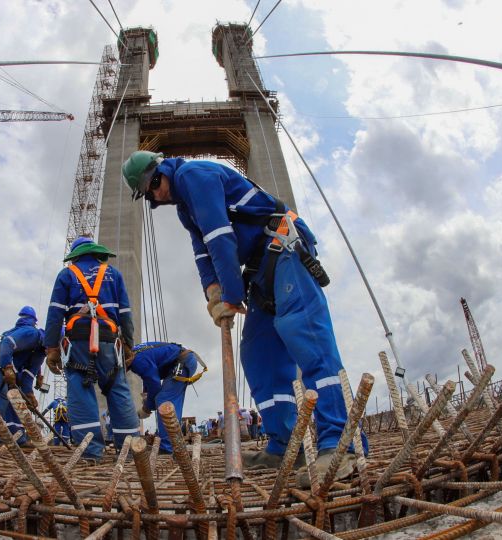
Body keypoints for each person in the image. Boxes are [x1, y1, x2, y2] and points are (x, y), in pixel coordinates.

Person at [122, 151, 354, 486]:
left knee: (306, 338)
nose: (156, 193)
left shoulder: (193, 176)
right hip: (261, 269)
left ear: (163, 169)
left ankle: (339, 444)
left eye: (155, 183)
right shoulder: (186, 208)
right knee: (258, 355)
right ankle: (285, 445)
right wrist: (213, 293)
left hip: (284, 247)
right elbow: (203, 252)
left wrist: (231, 295)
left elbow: (220, 237)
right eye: (148, 192)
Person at [43, 237, 140, 461]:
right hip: (109, 341)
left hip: (78, 343)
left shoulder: (67, 274)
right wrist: (128, 344)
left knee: (80, 390)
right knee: (117, 388)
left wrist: (51, 348)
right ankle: (130, 451)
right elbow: (125, 313)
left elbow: (55, 314)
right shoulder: (114, 274)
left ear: (75, 256)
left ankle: (91, 453)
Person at [127, 341, 205, 454]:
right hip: (181, 360)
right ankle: (171, 444)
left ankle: (167, 447)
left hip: (182, 361)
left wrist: (147, 408)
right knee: (164, 399)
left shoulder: (137, 361)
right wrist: (146, 394)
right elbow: (149, 376)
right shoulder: (136, 353)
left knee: (164, 400)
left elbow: (155, 385)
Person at [0, 306, 46, 445]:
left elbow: (28, 375)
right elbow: (7, 343)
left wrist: (29, 394)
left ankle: (17, 435)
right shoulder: (31, 333)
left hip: (9, 367)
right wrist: (7, 367)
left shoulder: (40, 349)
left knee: (15, 400)